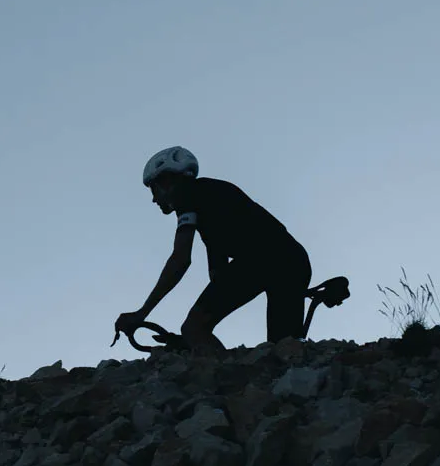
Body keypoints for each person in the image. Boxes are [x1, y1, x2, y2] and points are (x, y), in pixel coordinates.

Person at [114, 146, 313, 354]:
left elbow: (180, 259)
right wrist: (193, 342)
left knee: (194, 327)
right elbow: (219, 278)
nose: (154, 199)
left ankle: (223, 376)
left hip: (264, 259)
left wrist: (142, 313)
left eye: (153, 189)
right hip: (293, 259)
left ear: (167, 180)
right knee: (284, 350)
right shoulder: (210, 200)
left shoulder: (186, 194)